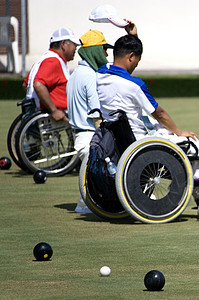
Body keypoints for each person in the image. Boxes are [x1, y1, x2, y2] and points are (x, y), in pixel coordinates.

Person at [96, 34, 199, 213]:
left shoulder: (101, 73)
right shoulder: (133, 84)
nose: (136, 65)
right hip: (139, 141)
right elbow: (160, 113)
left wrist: (133, 35)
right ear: (131, 56)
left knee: (161, 128)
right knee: (192, 142)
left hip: (116, 137)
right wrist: (178, 131)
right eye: (137, 60)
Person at [66, 22, 138, 213]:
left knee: (88, 191)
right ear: (96, 51)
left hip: (78, 135)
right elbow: (96, 112)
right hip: (91, 137)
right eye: (104, 50)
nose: (106, 55)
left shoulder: (75, 74)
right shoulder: (90, 76)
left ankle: (84, 204)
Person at [24, 27, 79, 121]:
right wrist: (53, 110)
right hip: (42, 115)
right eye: (74, 45)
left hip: (34, 110)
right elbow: (38, 85)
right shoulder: (53, 61)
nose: (76, 49)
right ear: (63, 44)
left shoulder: (45, 58)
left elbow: (25, 85)